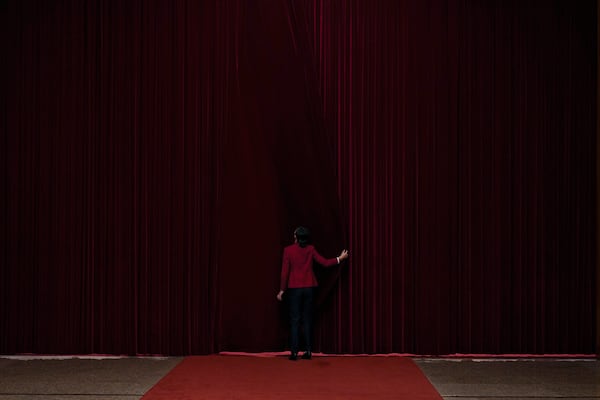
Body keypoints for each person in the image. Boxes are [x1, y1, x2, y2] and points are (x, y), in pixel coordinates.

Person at [277, 226, 349, 360]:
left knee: (295, 321)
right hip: (309, 288)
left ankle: (294, 352)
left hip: (294, 288)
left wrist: (282, 290)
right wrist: (340, 258)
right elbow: (325, 263)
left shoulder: (288, 250)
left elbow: (284, 273)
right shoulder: (311, 249)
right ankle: (309, 351)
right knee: (307, 319)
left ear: (296, 237)